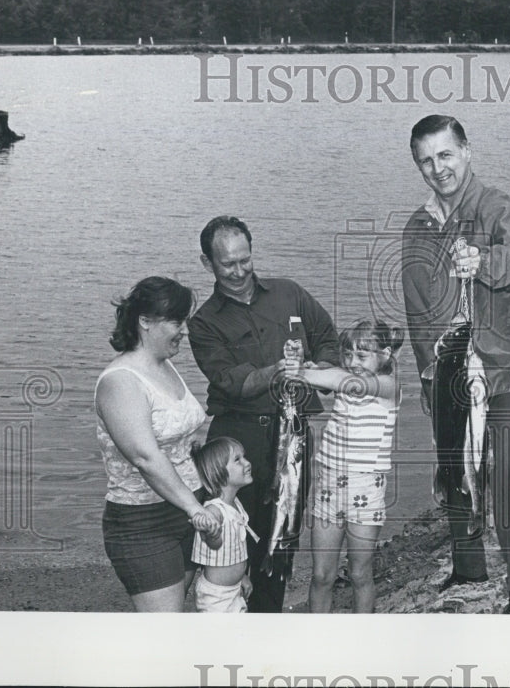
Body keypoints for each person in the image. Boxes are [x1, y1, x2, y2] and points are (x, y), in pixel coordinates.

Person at [401, 114, 510, 614]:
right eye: (426, 160)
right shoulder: (417, 226)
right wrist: (427, 374)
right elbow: (417, 309)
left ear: (467, 152)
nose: (437, 168)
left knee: (508, 469)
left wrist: (484, 262)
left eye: (445, 155)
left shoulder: (496, 206)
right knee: (453, 464)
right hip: (449, 366)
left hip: (508, 362)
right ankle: (467, 565)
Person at [187, 215, 340, 613]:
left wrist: (318, 372)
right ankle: (225, 620)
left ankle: (267, 626)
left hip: (294, 437)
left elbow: (326, 334)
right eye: (228, 264)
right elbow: (232, 381)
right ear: (208, 265)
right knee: (234, 540)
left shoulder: (289, 294)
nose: (239, 272)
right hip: (239, 442)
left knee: (282, 535)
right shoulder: (203, 323)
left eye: (245, 260)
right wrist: (277, 370)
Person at [96, 276, 222, 612]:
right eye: (176, 321)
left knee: (176, 616)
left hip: (188, 512)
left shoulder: (165, 367)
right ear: (145, 322)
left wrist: (213, 498)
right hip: (143, 522)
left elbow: (184, 444)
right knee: (165, 632)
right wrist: (193, 508)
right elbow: (145, 456)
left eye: (184, 320)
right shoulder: (120, 381)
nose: (184, 330)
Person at [298, 320, 404, 613]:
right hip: (328, 488)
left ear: (385, 354)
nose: (353, 363)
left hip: (365, 491)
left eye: (362, 355)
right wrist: (310, 367)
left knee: (359, 573)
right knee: (322, 575)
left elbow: (346, 382)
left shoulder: (388, 386)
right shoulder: (343, 378)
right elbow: (330, 378)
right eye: (348, 355)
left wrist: (303, 373)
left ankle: (362, 637)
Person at [189, 437, 260, 613]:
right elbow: (215, 543)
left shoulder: (234, 503)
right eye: (237, 460)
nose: (247, 463)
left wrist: (241, 577)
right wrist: (208, 529)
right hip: (217, 597)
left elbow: (233, 548)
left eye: (244, 457)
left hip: (234, 590)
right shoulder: (215, 510)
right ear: (218, 472)